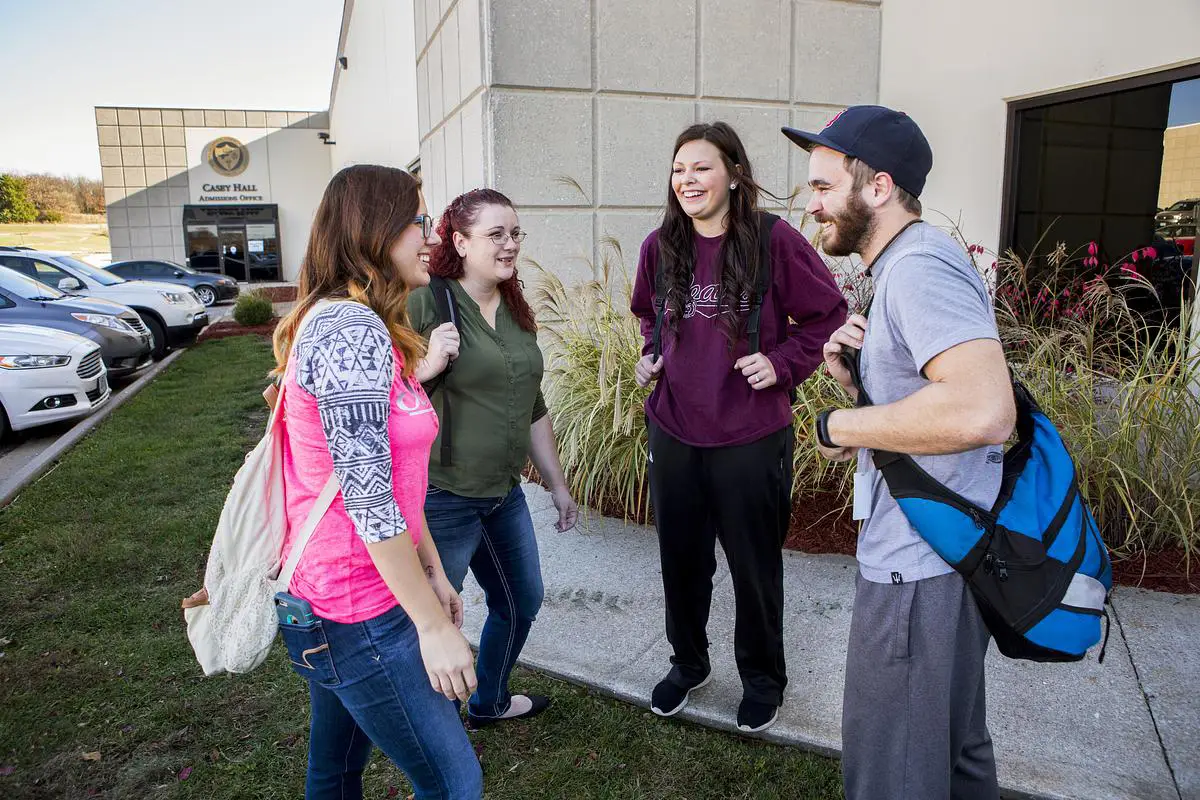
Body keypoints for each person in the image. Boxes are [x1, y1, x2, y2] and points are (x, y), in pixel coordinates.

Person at [783, 106, 1015, 799]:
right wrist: (861, 382)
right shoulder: (915, 263)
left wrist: (839, 427)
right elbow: (935, 392)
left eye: (824, 187)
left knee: (894, 769)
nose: (812, 203)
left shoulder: (916, 268)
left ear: (878, 188)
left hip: (918, 570)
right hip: (949, 556)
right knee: (953, 748)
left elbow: (983, 409)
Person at [270, 165, 483, 799]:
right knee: (454, 785)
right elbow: (367, 494)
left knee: (334, 774)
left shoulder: (367, 326)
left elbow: (396, 480)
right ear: (372, 231)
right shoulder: (348, 329)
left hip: (343, 599)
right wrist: (433, 625)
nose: (430, 237)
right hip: (357, 608)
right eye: (417, 221)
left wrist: (435, 570)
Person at [630, 122, 847, 733]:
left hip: (750, 436)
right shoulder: (659, 246)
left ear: (732, 174)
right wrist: (654, 354)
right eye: (679, 169)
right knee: (681, 562)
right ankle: (688, 663)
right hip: (674, 430)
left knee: (754, 568)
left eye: (701, 168)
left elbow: (828, 314)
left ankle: (762, 680)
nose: (687, 180)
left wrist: (780, 364)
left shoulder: (771, 240)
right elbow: (649, 314)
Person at [408, 188, 579, 730]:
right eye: (496, 235)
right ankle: (429, 732)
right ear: (459, 241)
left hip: (503, 496)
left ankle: (489, 701)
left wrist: (555, 483)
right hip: (442, 497)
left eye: (515, 233)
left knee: (521, 601)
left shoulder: (516, 309)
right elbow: (378, 398)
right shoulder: (426, 303)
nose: (510, 246)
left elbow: (533, 404)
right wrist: (427, 368)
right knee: (434, 620)